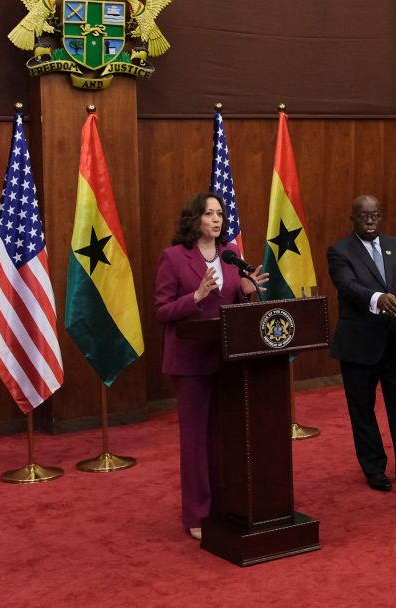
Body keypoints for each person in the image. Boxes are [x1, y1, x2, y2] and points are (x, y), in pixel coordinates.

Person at [153, 192, 267, 540]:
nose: (216, 220)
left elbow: (233, 306)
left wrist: (247, 291)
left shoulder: (230, 257)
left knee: (224, 435)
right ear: (195, 220)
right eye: (209, 214)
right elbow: (162, 311)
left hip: (228, 359)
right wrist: (197, 296)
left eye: (219, 213)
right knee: (196, 440)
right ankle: (197, 514)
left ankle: (225, 503)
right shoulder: (173, 258)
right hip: (190, 362)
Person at [327, 195, 396, 492]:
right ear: (352, 219)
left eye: (375, 215)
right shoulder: (339, 251)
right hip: (359, 345)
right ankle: (374, 467)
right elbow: (347, 286)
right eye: (363, 216)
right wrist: (377, 298)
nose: (370, 221)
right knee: (363, 410)